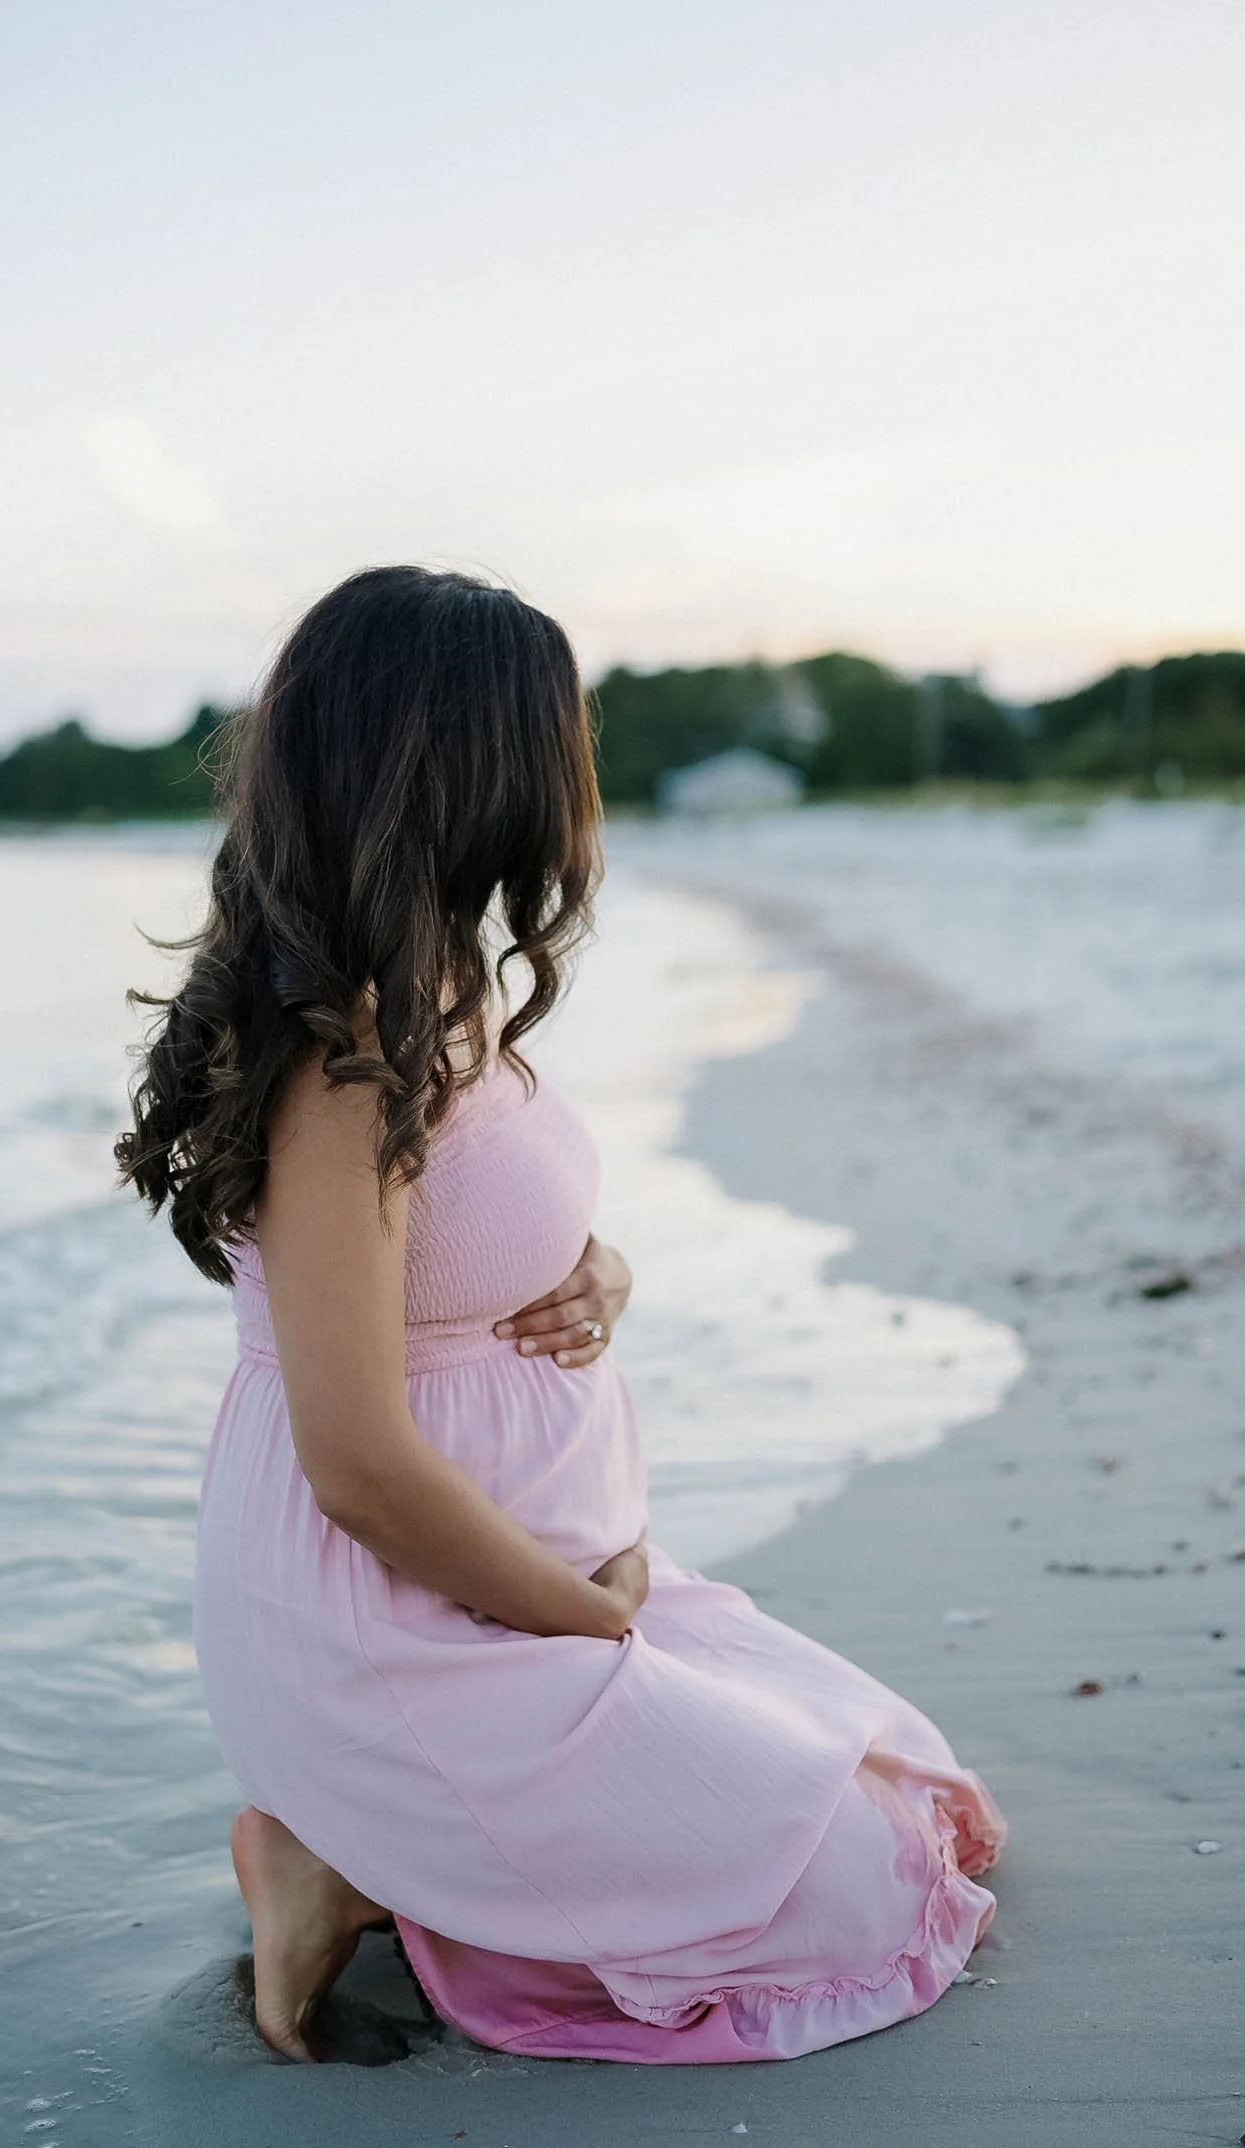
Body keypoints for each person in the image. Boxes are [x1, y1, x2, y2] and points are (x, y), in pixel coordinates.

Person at [119, 566, 1003, 2064]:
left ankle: (374, 1858)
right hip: (406, 1637)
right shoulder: (341, 1061)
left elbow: (466, 1223)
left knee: (907, 1797)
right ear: (469, 766)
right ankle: (338, 1852)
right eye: (553, 738)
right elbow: (353, 1464)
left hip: (523, 1601)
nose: (572, 778)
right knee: (862, 1890)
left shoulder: (432, 979)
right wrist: (583, 1610)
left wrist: (593, 1269)